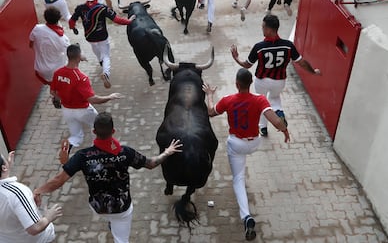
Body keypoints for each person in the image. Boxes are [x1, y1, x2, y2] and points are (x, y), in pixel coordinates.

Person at [33, 112, 183, 243]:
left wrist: (39, 190)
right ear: (113, 131)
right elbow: (151, 164)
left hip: (98, 207)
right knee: (121, 239)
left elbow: (59, 180)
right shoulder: (126, 152)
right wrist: (167, 152)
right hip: (121, 208)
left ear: (94, 131)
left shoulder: (82, 156)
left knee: (111, 220)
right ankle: (115, 225)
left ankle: (112, 223)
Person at [202, 68, 289, 241]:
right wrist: (285, 130)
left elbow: (210, 112)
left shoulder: (228, 100)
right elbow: (275, 121)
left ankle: (247, 217)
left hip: (236, 145)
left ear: (236, 84)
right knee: (242, 165)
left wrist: (210, 95)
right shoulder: (260, 99)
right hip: (254, 143)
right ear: (250, 84)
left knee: (238, 179)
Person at [230, 15, 321, 137]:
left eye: (263, 27)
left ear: (270, 30)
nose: (262, 29)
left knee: (261, 103)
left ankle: (263, 128)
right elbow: (302, 62)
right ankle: (279, 112)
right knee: (274, 99)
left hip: (261, 81)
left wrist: (236, 58)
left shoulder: (259, 47)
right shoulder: (288, 45)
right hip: (279, 81)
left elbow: (246, 65)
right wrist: (313, 72)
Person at [50, 44, 123, 155]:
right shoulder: (81, 77)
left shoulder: (57, 73)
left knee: (76, 136)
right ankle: (100, 150)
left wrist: (64, 97)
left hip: (66, 111)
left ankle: (69, 145)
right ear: (79, 56)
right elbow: (92, 99)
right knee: (98, 128)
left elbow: (53, 92)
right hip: (83, 111)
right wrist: (109, 97)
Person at [69, 0, 135, 89]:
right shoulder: (102, 8)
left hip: (89, 37)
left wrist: (73, 28)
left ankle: (101, 63)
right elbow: (117, 20)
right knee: (106, 56)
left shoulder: (80, 8)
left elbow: (72, 20)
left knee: (97, 53)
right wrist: (129, 21)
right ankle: (106, 73)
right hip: (102, 37)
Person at [0, 151, 62, 243]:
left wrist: (7, 167)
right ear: (3, 168)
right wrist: (49, 216)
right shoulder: (17, 193)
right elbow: (35, 228)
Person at [29, 6, 71, 107]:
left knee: (52, 84)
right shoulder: (63, 39)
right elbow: (70, 53)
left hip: (41, 69)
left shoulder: (37, 29)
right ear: (58, 19)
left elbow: (30, 45)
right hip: (58, 70)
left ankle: (56, 96)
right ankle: (63, 99)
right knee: (62, 84)